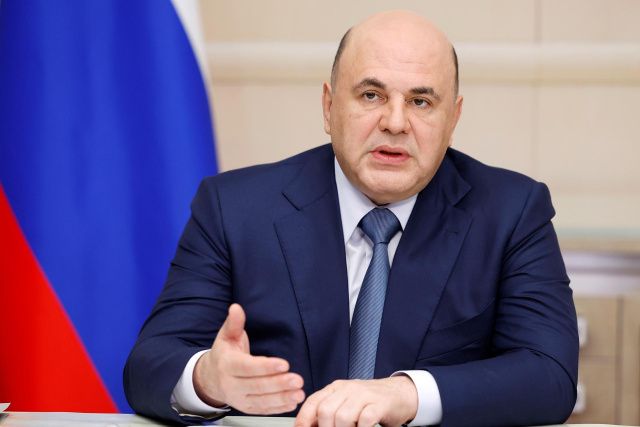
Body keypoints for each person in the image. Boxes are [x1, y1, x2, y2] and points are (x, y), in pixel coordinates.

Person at [124, 10, 578, 427]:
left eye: (421, 102)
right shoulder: (235, 208)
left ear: (453, 118)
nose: (395, 122)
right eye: (371, 95)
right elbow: (149, 364)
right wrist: (208, 379)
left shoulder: (511, 212)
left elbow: (550, 376)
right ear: (329, 107)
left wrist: (407, 394)